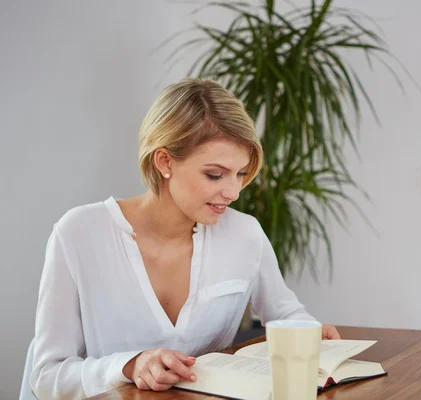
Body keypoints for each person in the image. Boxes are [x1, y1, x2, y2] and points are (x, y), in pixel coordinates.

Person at [29, 78, 340, 400]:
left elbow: (287, 315)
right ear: (164, 161)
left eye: (241, 174)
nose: (233, 192)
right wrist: (128, 366)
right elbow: (47, 374)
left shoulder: (244, 233)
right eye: (215, 175)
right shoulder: (80, 233)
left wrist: (310, 332)